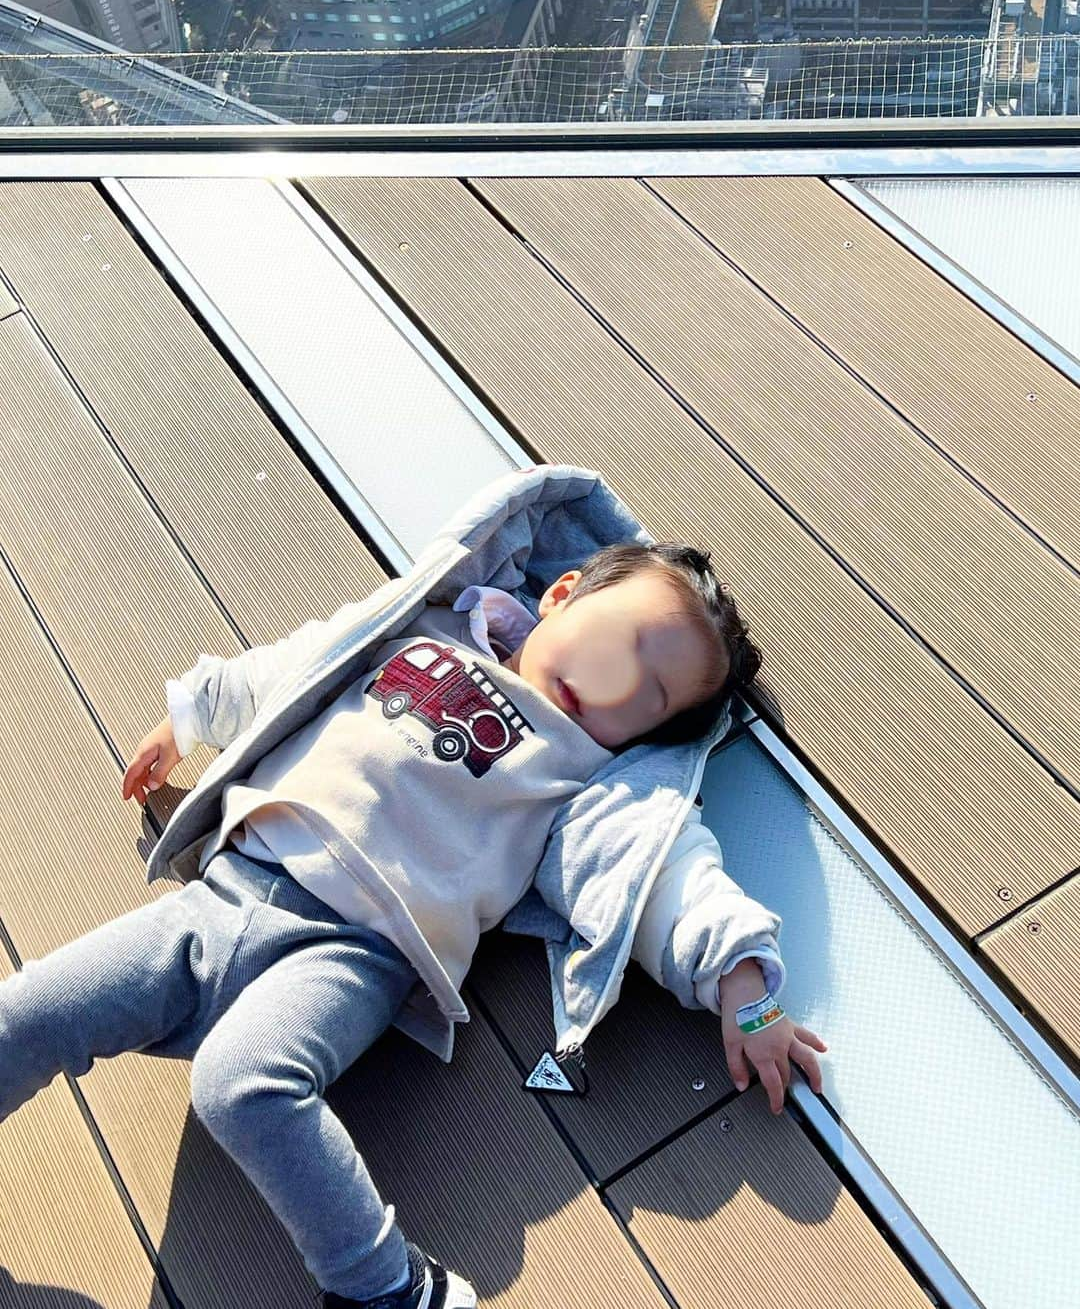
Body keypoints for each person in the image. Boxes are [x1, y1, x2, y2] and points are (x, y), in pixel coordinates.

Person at [0, 464, 827, 1309]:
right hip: (224, 896)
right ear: (562, 595)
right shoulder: (428, 625)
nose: (615, 681)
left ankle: (388, 1288)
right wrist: (194, 711)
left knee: (241, 1084)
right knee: (22, 1009)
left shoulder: (586, 779)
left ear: (641, 739)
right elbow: (306, 662)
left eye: (644, 696)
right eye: (616, 641)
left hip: (355, 952)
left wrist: (747, 986)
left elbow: (663, 875)